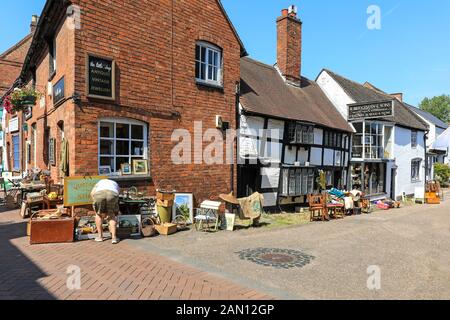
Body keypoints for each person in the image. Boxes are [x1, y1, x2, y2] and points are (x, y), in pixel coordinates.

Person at [91, 179, 120, 244]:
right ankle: (114, 238)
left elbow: (92, 193)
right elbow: (117, 195)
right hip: (112, 194)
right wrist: (109, 212)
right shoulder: (115, 183)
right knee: (112, 215)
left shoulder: (99, 182)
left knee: (98, 215)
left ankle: (100, 237)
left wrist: (95, 206)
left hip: (99, 194)